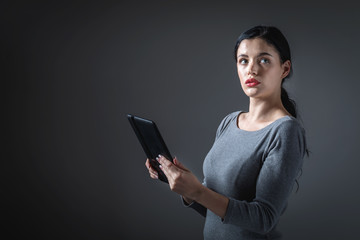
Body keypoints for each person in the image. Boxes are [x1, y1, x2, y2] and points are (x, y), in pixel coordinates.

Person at [145, 25, 308, 240]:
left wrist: (198, 191)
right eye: (243, 60)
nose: (252, 69)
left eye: (264, 60)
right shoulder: (230, 122)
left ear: (285, 69)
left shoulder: (285, 131)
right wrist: (186, 187)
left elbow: (263, 219)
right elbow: (217, 211)